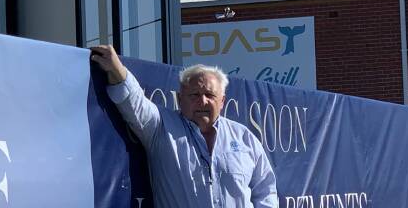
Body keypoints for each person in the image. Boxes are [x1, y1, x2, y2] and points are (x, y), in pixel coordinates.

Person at [90, 45, 279, 207]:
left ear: (222, 101)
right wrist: (116, 69)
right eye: (194, 95)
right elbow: (133, 101)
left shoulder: (243, 137)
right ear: (180, 99)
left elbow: (266, 189)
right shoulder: (161, 127)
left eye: (210, 95)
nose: (202, 101)